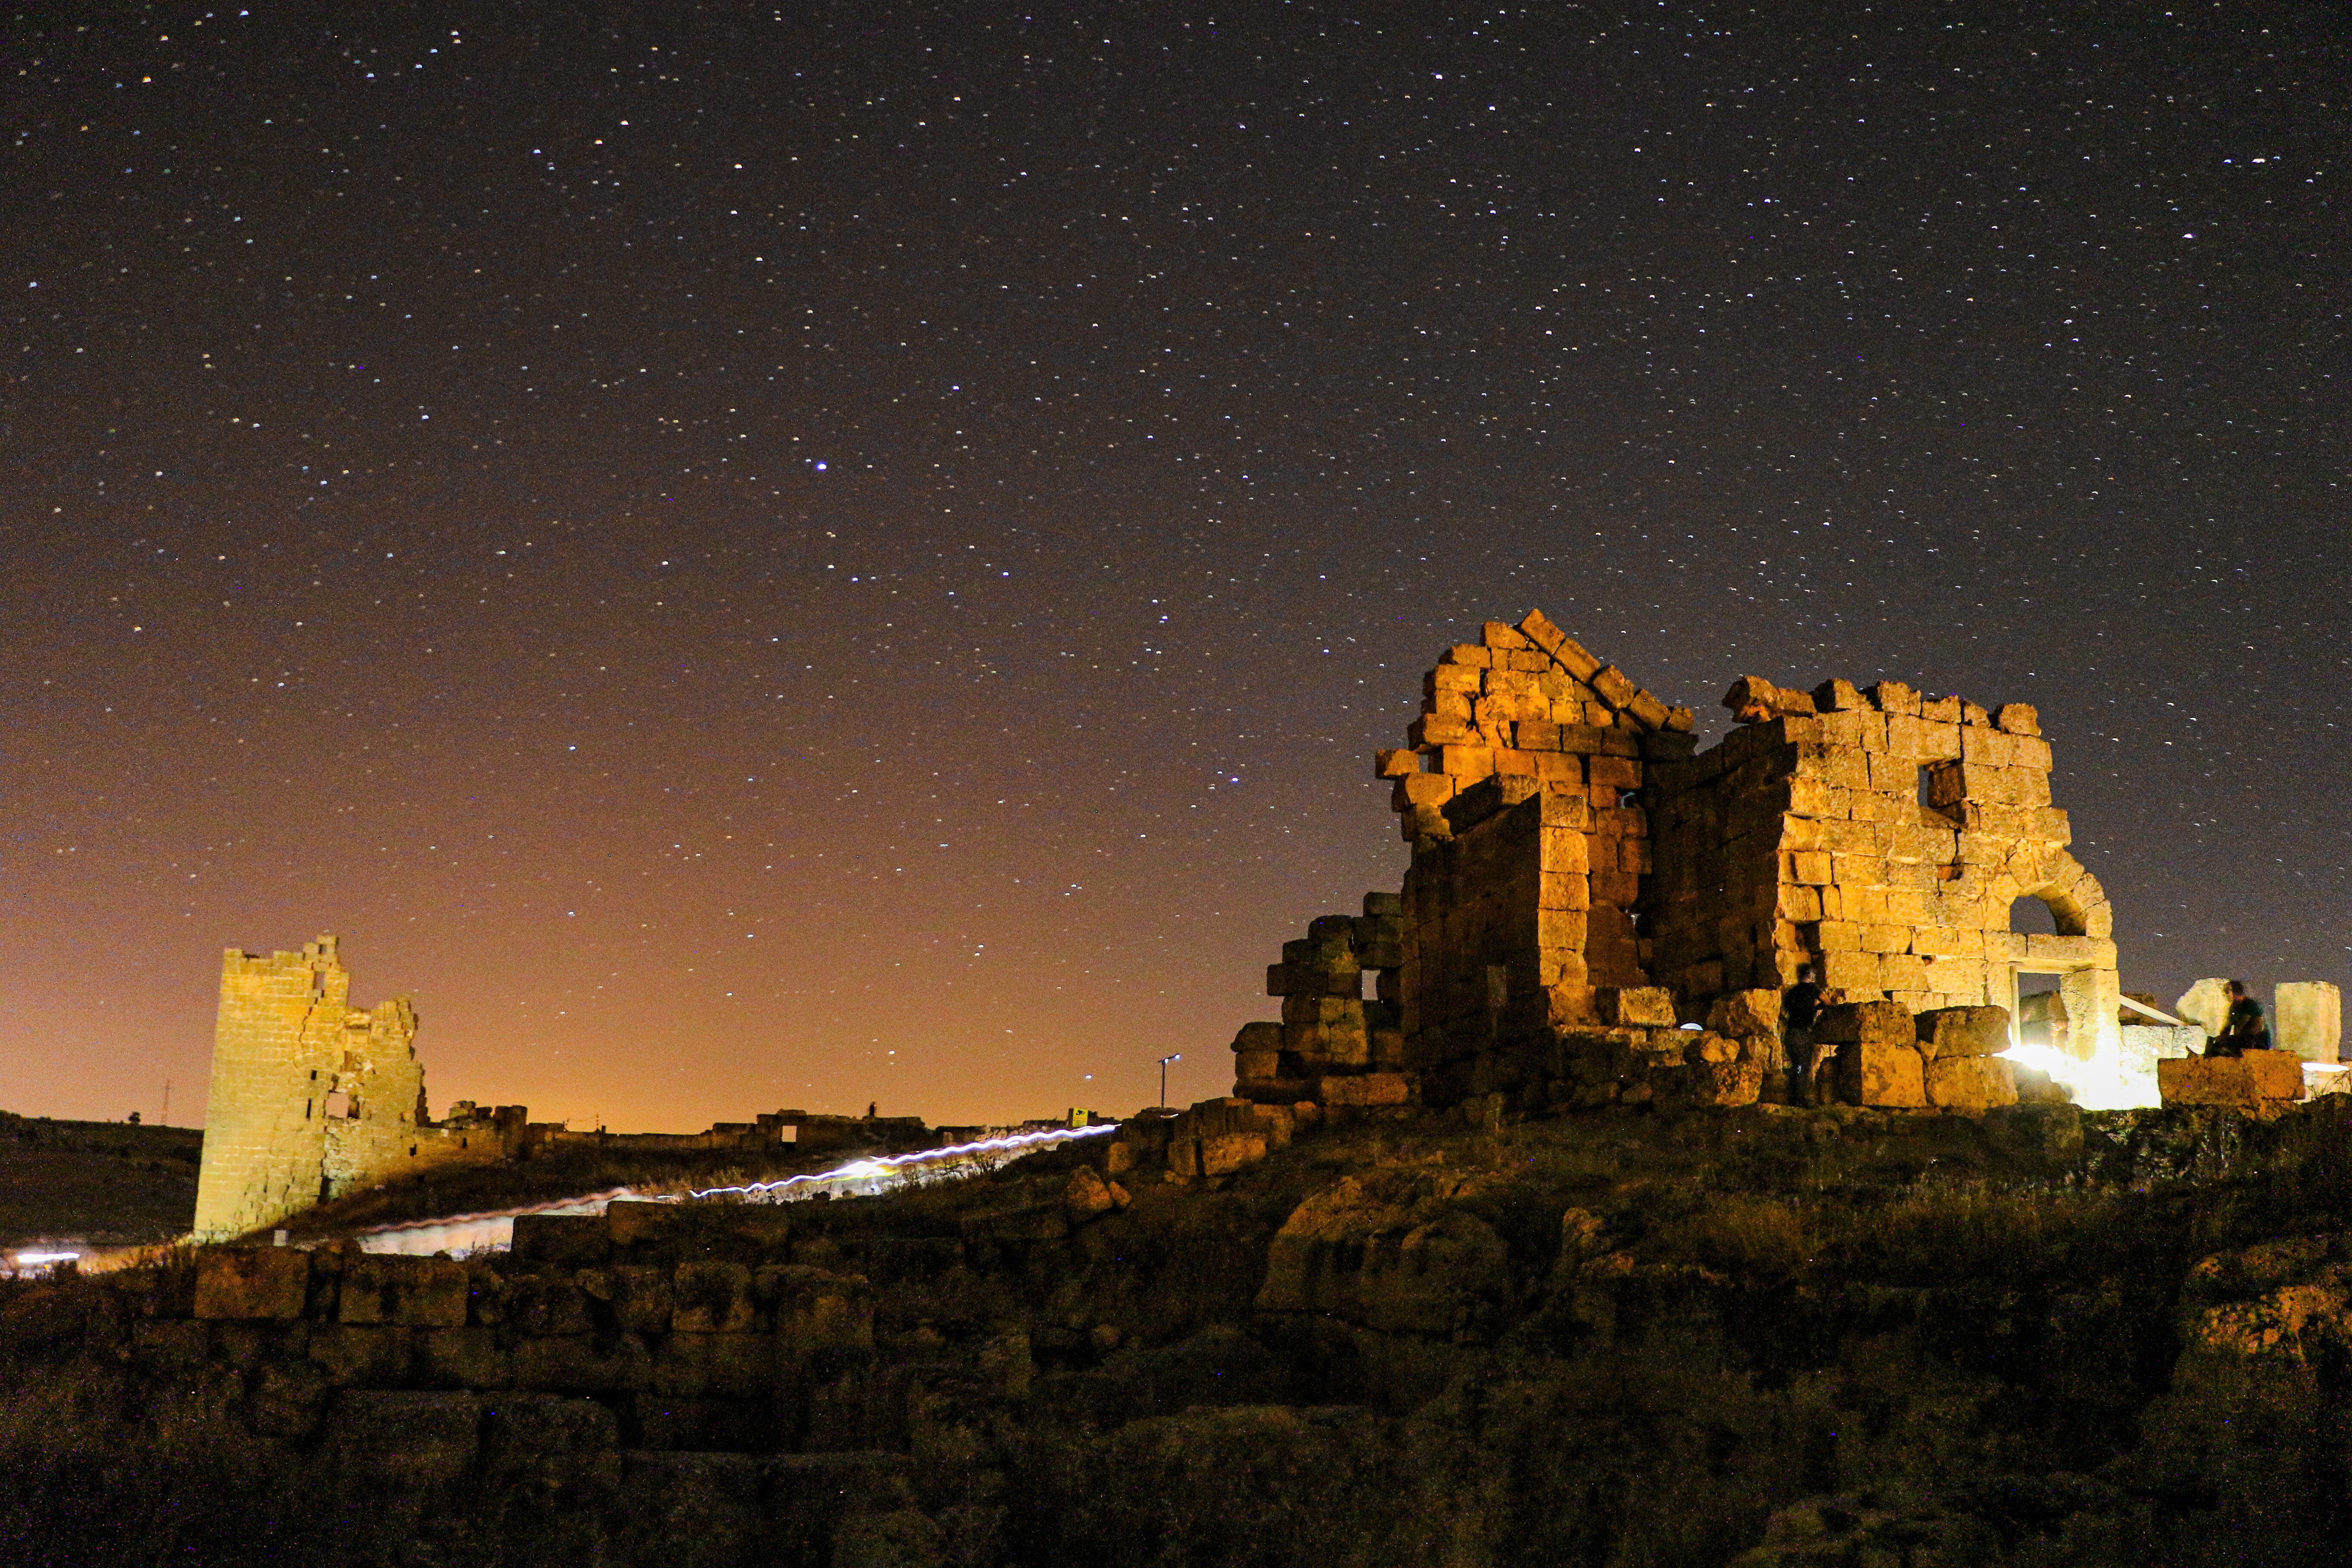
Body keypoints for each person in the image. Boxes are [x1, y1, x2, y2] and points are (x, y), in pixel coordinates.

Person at [1783, 963, 1825, 1106]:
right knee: (1805, 1067)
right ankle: (1801, 1100)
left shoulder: (1791, 992)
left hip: (1791, 1034)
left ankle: (1792, 1099)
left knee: (1796, 1067)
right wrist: (1816, 1009)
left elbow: (1787, 1009)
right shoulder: (1813, 989)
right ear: (1812, 975)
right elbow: (1828, 1002)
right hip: (1803, 1033)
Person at [2208, 980, 2270, 1058]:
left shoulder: (2251, 1005)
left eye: (2228, 992)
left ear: (2236, 992)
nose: (2226, 995)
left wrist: (2227, 1040)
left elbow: (2245, 1025)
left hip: (2257, 1042)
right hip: (2244, 1039)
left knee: (2227, 1044)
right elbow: (2228, 1027)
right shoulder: (2234, 1007)